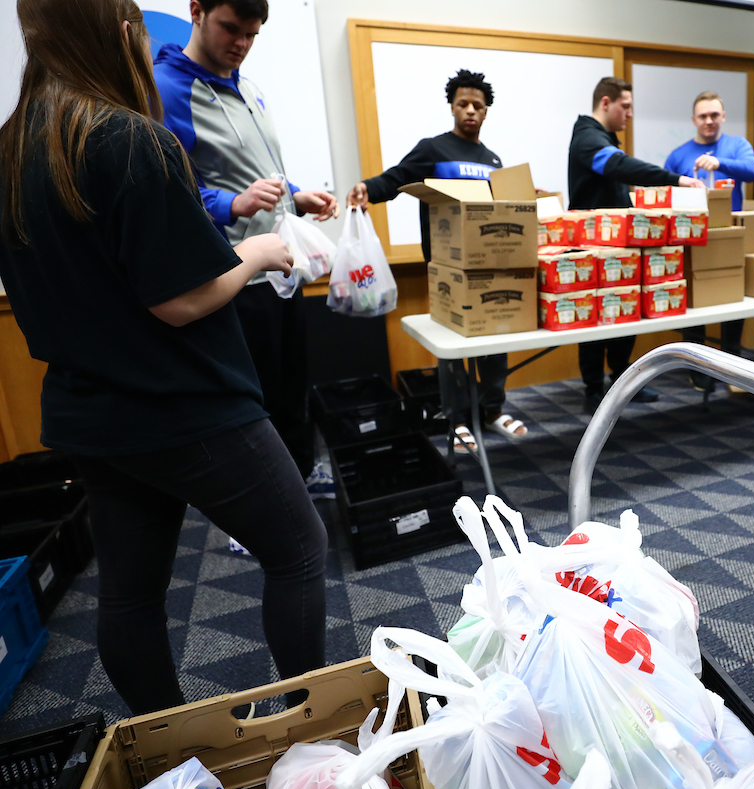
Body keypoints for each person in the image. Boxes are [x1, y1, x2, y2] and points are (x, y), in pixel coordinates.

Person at [0, 0, 327, 714]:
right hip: (185, 404)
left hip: (93, 413)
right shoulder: (129, 138)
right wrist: (257, 252)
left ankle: (168, 751)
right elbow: (181, 298)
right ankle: (315, 731)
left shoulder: (13, 147)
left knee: (130, 594)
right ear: (123, 34)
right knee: (299, 547)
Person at [154, 0, 339, 495]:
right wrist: (230, 203)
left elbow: (260, 173)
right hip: (231, 274)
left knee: (291, 385)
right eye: (230, 28)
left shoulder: (248, 87)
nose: (240, 44)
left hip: (281, 267)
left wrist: (297, 194)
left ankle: (298, 475)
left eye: (252, 34)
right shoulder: (168, 88)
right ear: (197, 11)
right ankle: (255, 506)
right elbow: (168, 189)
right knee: (249, 399)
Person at [346, 70, 528, 453]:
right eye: (463, 103)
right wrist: (368, 189)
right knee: (453, 347)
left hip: (490, 266)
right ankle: (458, 418)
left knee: (495, 342)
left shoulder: (493, 159)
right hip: (447, 268)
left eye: (478, 105)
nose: (470, 111)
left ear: (486, 111)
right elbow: (396, 179)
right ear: (452, 106)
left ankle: (492, 410)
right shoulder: (433, 149)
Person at [569, 76, 705, 412]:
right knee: (595, 321)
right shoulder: (588, 138)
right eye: (625, 106)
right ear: (606, 103)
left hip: (618, 242)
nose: (629, 114)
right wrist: (675, 179)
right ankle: (593, 391)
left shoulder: (604, 138)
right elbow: (618, 166)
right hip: (595, 245)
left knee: (622, 315)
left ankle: (618, 384)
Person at [665, 91, 754, 392]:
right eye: (703, 116)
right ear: (694, 120)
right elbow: (662, 188)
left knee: (733, 298)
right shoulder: (679, 155)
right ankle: (697, 365)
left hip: (730, 234)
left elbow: (753, 171)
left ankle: (732, 363)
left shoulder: (737, 146)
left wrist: (719, 163)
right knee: (695, 300)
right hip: (690, 238)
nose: (709, 121)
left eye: (714, 115)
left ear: (723, 117)